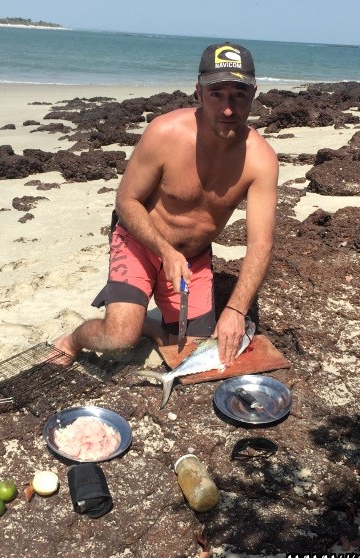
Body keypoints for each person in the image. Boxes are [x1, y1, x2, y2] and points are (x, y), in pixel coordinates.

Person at [53, 42, 278, 367]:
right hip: (139, 241)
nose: (228, 108)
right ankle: (73, 338)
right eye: (217, 94)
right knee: (118, 338)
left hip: (193, 257)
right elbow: (126, 201)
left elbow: (261, 243)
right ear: (198, 93)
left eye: (238, 95)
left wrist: (235, 310)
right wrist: (165, 250)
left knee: (193, 351)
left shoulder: (261, 160)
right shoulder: (164, 133)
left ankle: (146, 323)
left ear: (254, 94)